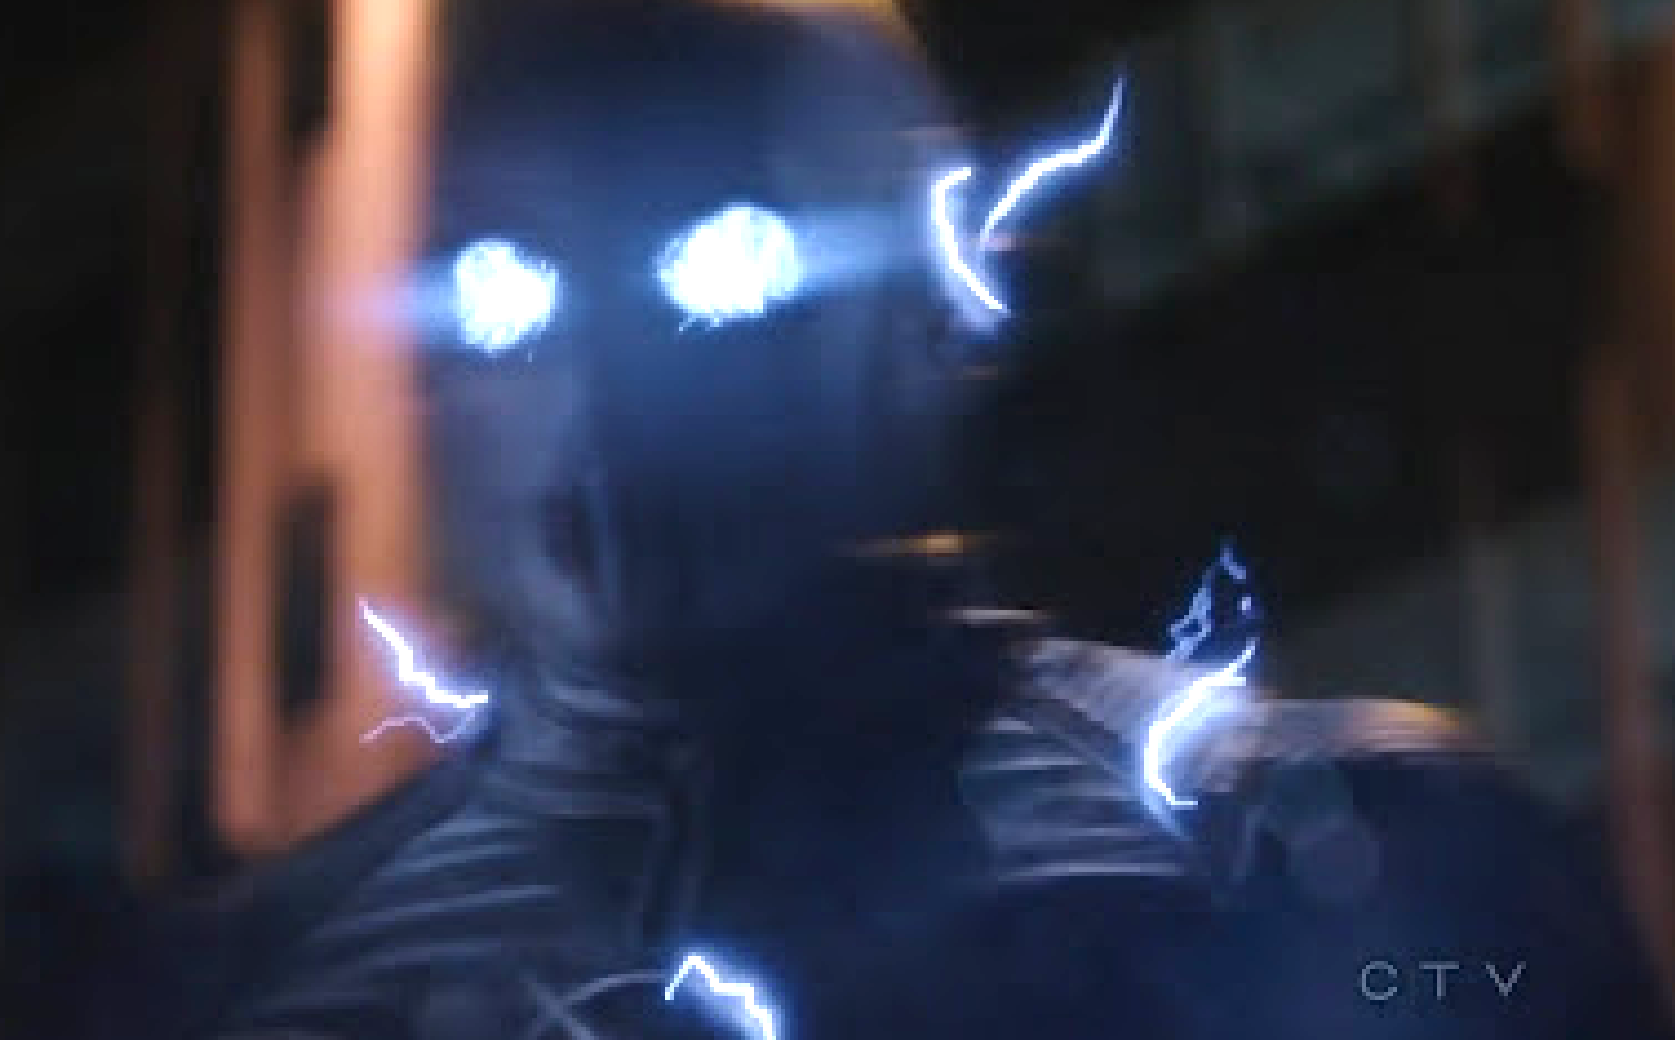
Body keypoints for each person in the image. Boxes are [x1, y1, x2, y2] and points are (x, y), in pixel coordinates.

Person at [132, 2, 1673, 1037]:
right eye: (504, 291)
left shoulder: (1311, 851)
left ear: (938, 313)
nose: (596, 391)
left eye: (726, 267)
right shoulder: (259, 980)